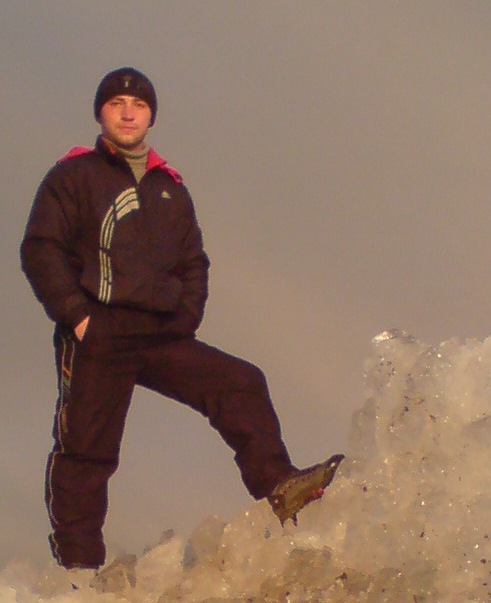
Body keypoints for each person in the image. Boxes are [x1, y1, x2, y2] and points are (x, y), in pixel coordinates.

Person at [20, 67, 342, 570]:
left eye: (139, 105)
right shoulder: (73, 176)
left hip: (159, 332)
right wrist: (78, 318)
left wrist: (185, 316)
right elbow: (41, 248)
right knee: (86, 451)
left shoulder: (170, 188)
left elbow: (194, 261)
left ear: (151, 116)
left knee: (240, 382)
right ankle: (77, 574)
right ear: (100, 113)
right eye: (117, 103)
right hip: (98, 332)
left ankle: (280, 486)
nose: (128, 113)